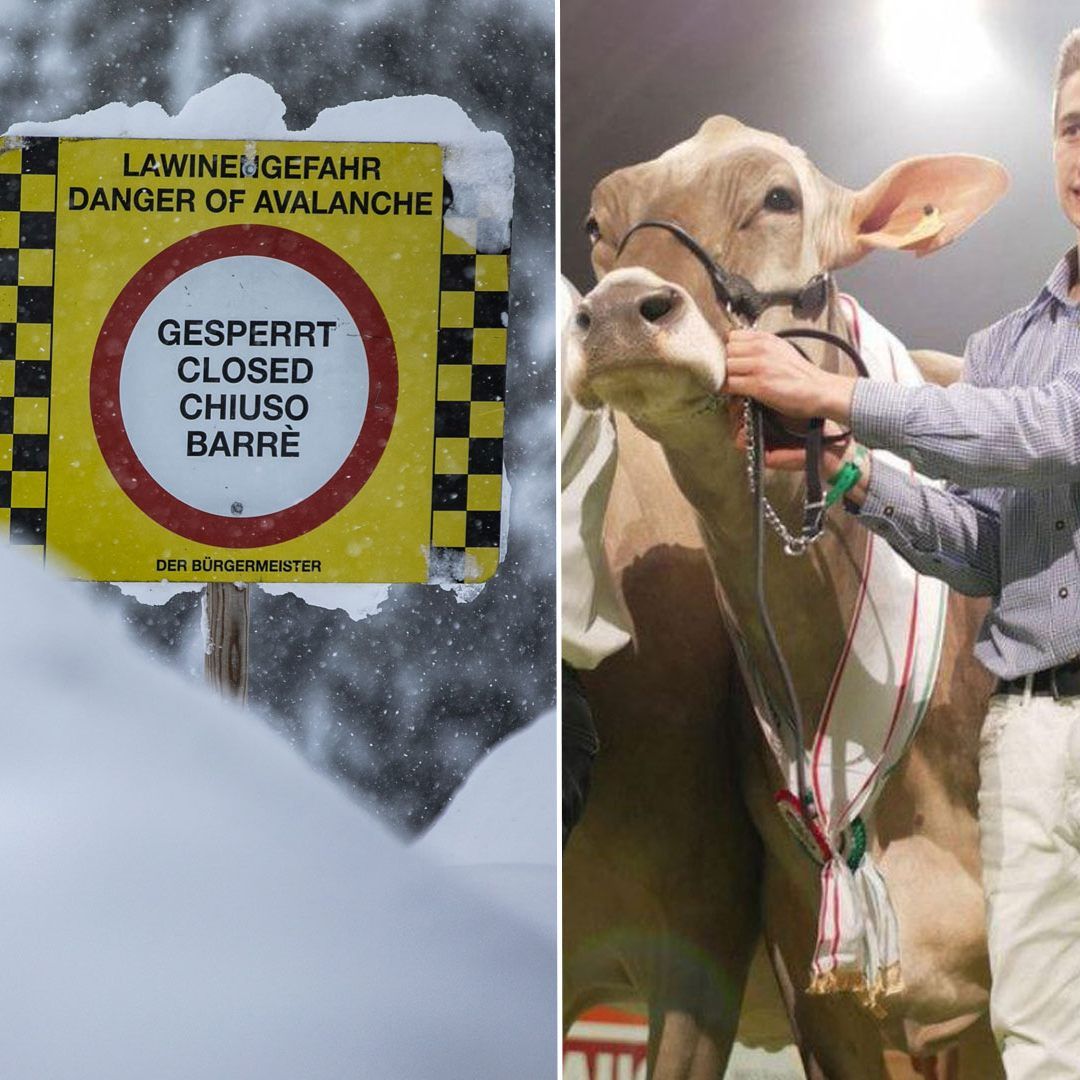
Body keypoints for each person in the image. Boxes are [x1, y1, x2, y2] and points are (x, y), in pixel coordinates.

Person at [724, 29, 1080, 1079]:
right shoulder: (1007, 343)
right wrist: (852, 475)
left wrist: (841, 394)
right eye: (1071, 126)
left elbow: (1052, 431)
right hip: (1029, 733)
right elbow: (979, 550)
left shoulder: (1018, 380)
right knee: (1041, 1037)